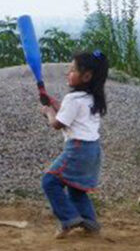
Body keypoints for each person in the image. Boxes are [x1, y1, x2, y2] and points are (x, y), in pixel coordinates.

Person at [38, 50, 109, 239]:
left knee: (50, 181)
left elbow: (57, 124)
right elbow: (71, 114)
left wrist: (48, 112)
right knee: (76, 188)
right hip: (93, 150)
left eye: (72, 70)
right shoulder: (93, 98)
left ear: (86, 76)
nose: (68, 73)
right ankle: (90, 222)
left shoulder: (72, 99)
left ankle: (68, 219)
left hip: (78, 149)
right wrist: (54, 103)